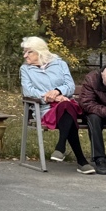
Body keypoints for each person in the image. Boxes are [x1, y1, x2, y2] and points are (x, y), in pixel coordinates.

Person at [20, 36, 93, 174]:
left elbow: (70, 85)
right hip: (45, 108)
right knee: (67, 110)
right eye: (24, 52)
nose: (25, 55)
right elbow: (28, 91)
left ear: (39, 51)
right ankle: (80, 160)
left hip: (65, 104)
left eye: (29, 52)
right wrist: (51, 97)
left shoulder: (60, 64)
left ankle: (61, 147)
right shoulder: (25, 69)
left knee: (66, 106)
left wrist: (58, 91)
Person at [79, 65, 106, 175]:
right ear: (102, 76)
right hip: (97, 112)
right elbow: (87, 103)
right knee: (93, 119)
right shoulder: (91, 79)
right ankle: (99, 158)